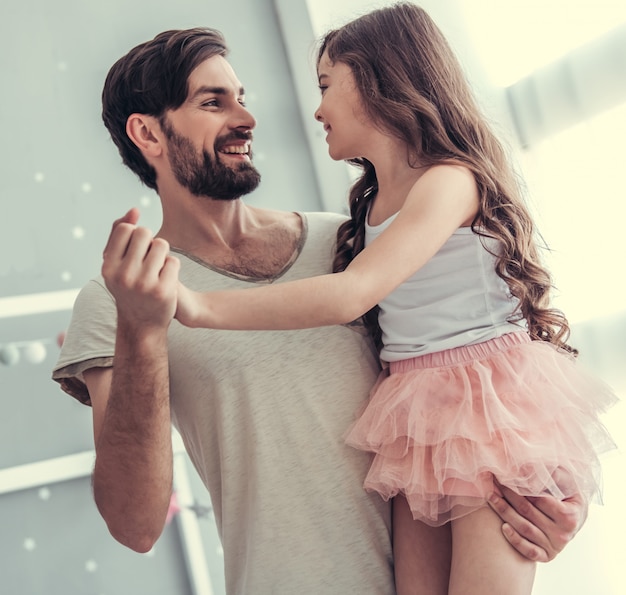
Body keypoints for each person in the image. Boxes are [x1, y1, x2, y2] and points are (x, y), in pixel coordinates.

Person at [53, 23, 589, 595]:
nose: (247, 118)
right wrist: (143, 326)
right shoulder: (120, 299)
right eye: (214, 102)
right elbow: (134, 526)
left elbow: (474, 369)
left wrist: (549, 506)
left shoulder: (350, 242)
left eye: (242, 97)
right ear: (148, 134)